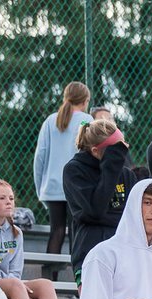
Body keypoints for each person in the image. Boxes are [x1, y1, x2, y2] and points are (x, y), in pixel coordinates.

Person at [62, 118, 138, 284]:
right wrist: (110, 168)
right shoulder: (74, 170)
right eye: (117, 150)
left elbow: (131, 217)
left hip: (123, 252)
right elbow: (95, 209)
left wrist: (98, 218)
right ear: (96, 151)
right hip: (90, 251)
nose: (124, 152)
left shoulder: (126, 175)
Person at [33, 81, 93, 254]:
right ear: (84, 101)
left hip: (52, 187)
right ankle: (77, 277)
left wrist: (41, 189)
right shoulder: (87, 120)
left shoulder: (50, 121)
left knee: (57, 231)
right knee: (76, 233)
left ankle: (50, 278)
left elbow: (40, 157)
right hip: (77, 186)